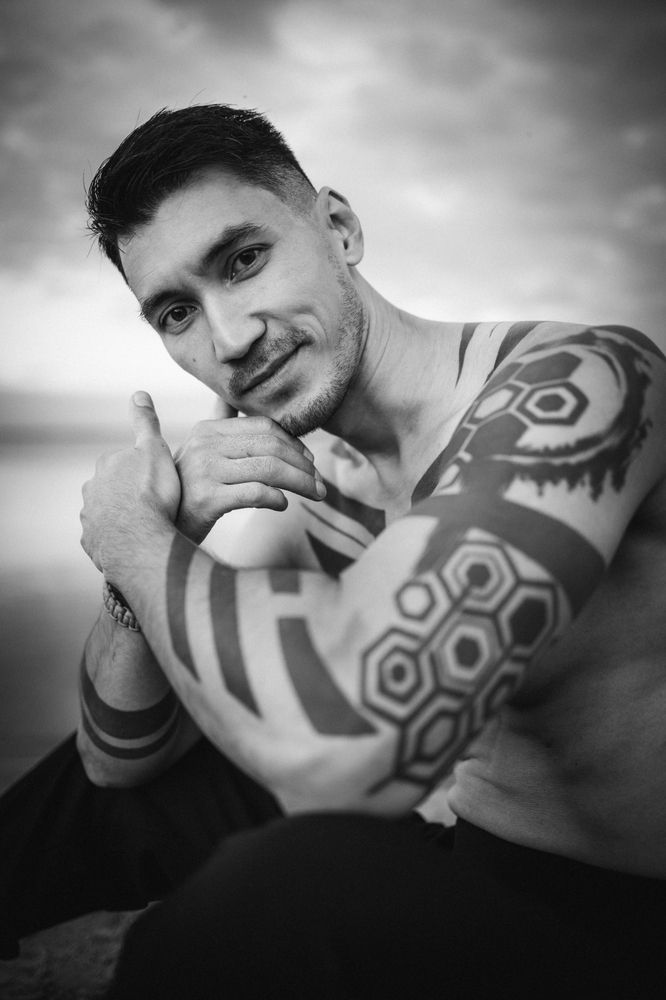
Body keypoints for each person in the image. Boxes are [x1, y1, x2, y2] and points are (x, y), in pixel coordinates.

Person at [2, 104, 666, 999]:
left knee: (276, 893)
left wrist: (132, 533)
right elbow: (115, 764)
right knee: (99, 797)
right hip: (473, 858)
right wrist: (155, 554)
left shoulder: (581, 385)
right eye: (177, 312)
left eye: (244, 260)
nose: (230, 339)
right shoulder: (315, 479)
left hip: (628, 921)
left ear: (340, 229)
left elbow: (359, 743)